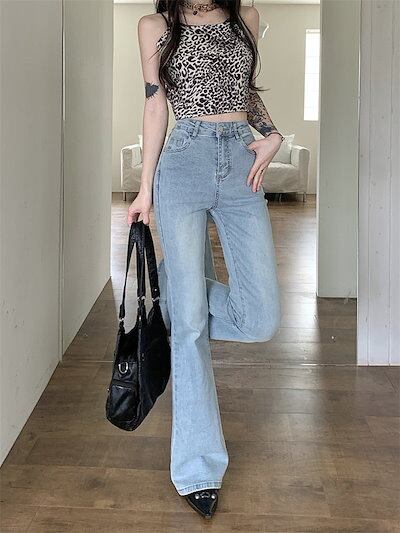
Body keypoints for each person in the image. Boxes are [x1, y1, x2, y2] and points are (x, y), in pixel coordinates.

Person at [128, 0, 282, 519]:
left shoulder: (246, 17)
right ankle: (198, 467)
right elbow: (155, 106)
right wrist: (144, 189)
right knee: (191, 328)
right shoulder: (155, 26)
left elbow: (246, 90)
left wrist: (271, 134)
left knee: (259, 319)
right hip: (184, 161)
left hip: (242, 164)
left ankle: (178, 291)